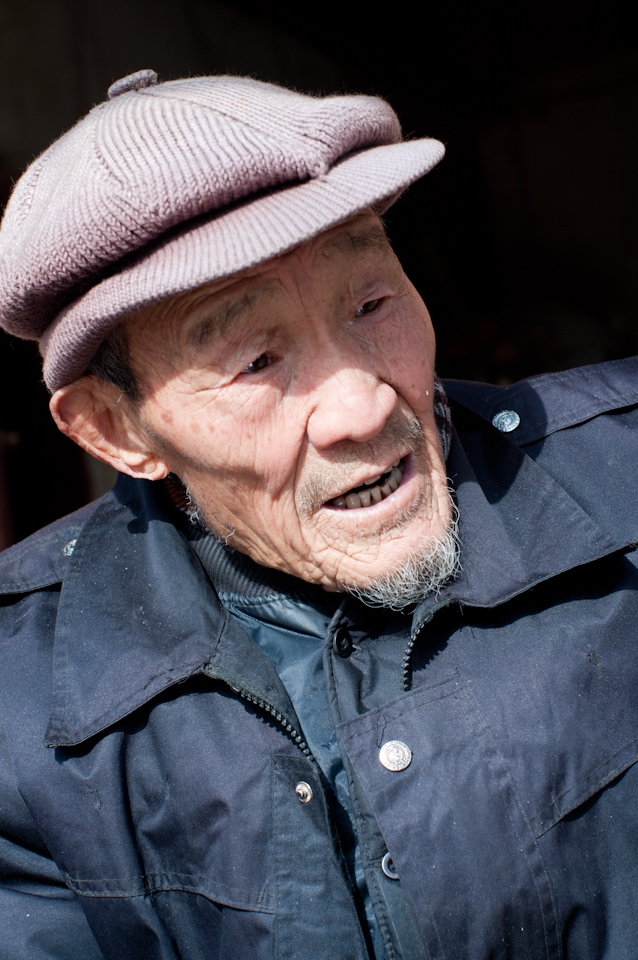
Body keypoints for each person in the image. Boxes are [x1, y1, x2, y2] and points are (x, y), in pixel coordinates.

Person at [0, 68, 637, 960]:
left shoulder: (621, 473)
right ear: (117, 430)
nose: (364, 408)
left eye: (371, 304)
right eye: (257, 361)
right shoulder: (21, 713)